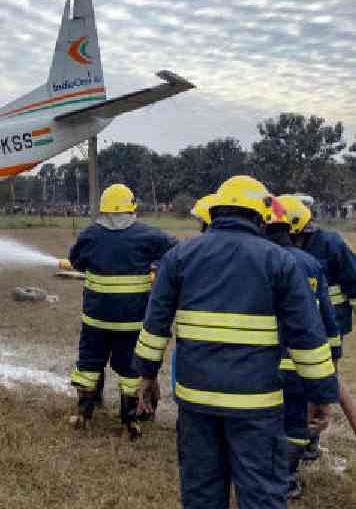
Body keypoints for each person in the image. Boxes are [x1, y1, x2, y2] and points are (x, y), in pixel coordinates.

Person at [133, 175, 337, 509]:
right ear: (261, 216)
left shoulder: (180, 256)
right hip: (257, 406)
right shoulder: (280, 261)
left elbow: (154, 325)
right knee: (261, 495)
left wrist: (147, 374)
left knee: (201, 494)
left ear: (215, 212)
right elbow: (307, 337)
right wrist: (320, 395)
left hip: (196, 402)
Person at [68, 183, 177, 439]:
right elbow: (175, 252)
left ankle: (83, 413)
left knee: (89, 363)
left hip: (95, 320)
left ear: (103, 209)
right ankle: (130, 421)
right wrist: (156, 268)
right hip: (132, 323)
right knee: (130, 370)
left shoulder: (90, 235)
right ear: (132, 208)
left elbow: (76, 261)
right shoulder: (148, 235)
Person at [266, 195, 339, 499]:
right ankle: (287, 477)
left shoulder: (255, 260)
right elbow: (326, 320)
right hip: (299, 366)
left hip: (260, 364)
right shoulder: (310, 264)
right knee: (296, 424)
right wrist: (332, 359)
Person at [290, 195, 356, 461]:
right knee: (316, 383)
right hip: (303, 325)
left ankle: (309, 443)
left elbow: (353, 280)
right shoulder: (281, 248)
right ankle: (306, 443)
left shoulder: (331, 243)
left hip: (330, 324)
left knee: (325, 382)